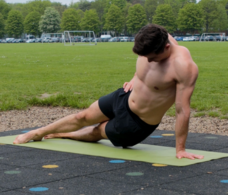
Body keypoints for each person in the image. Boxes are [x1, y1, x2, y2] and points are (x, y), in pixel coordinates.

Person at [14, 24, 204, 160]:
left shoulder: (184, 67)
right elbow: (146, 71)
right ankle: (37, 133)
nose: (148, 60)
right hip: (125, 96)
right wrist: (135, 77)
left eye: (152, 58)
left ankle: (63, 134)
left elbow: (182, 111)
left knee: (97, 132)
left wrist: (180, 149)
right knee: (83, 116)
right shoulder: (155, 38)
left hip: (137, 122)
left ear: (167, 48)